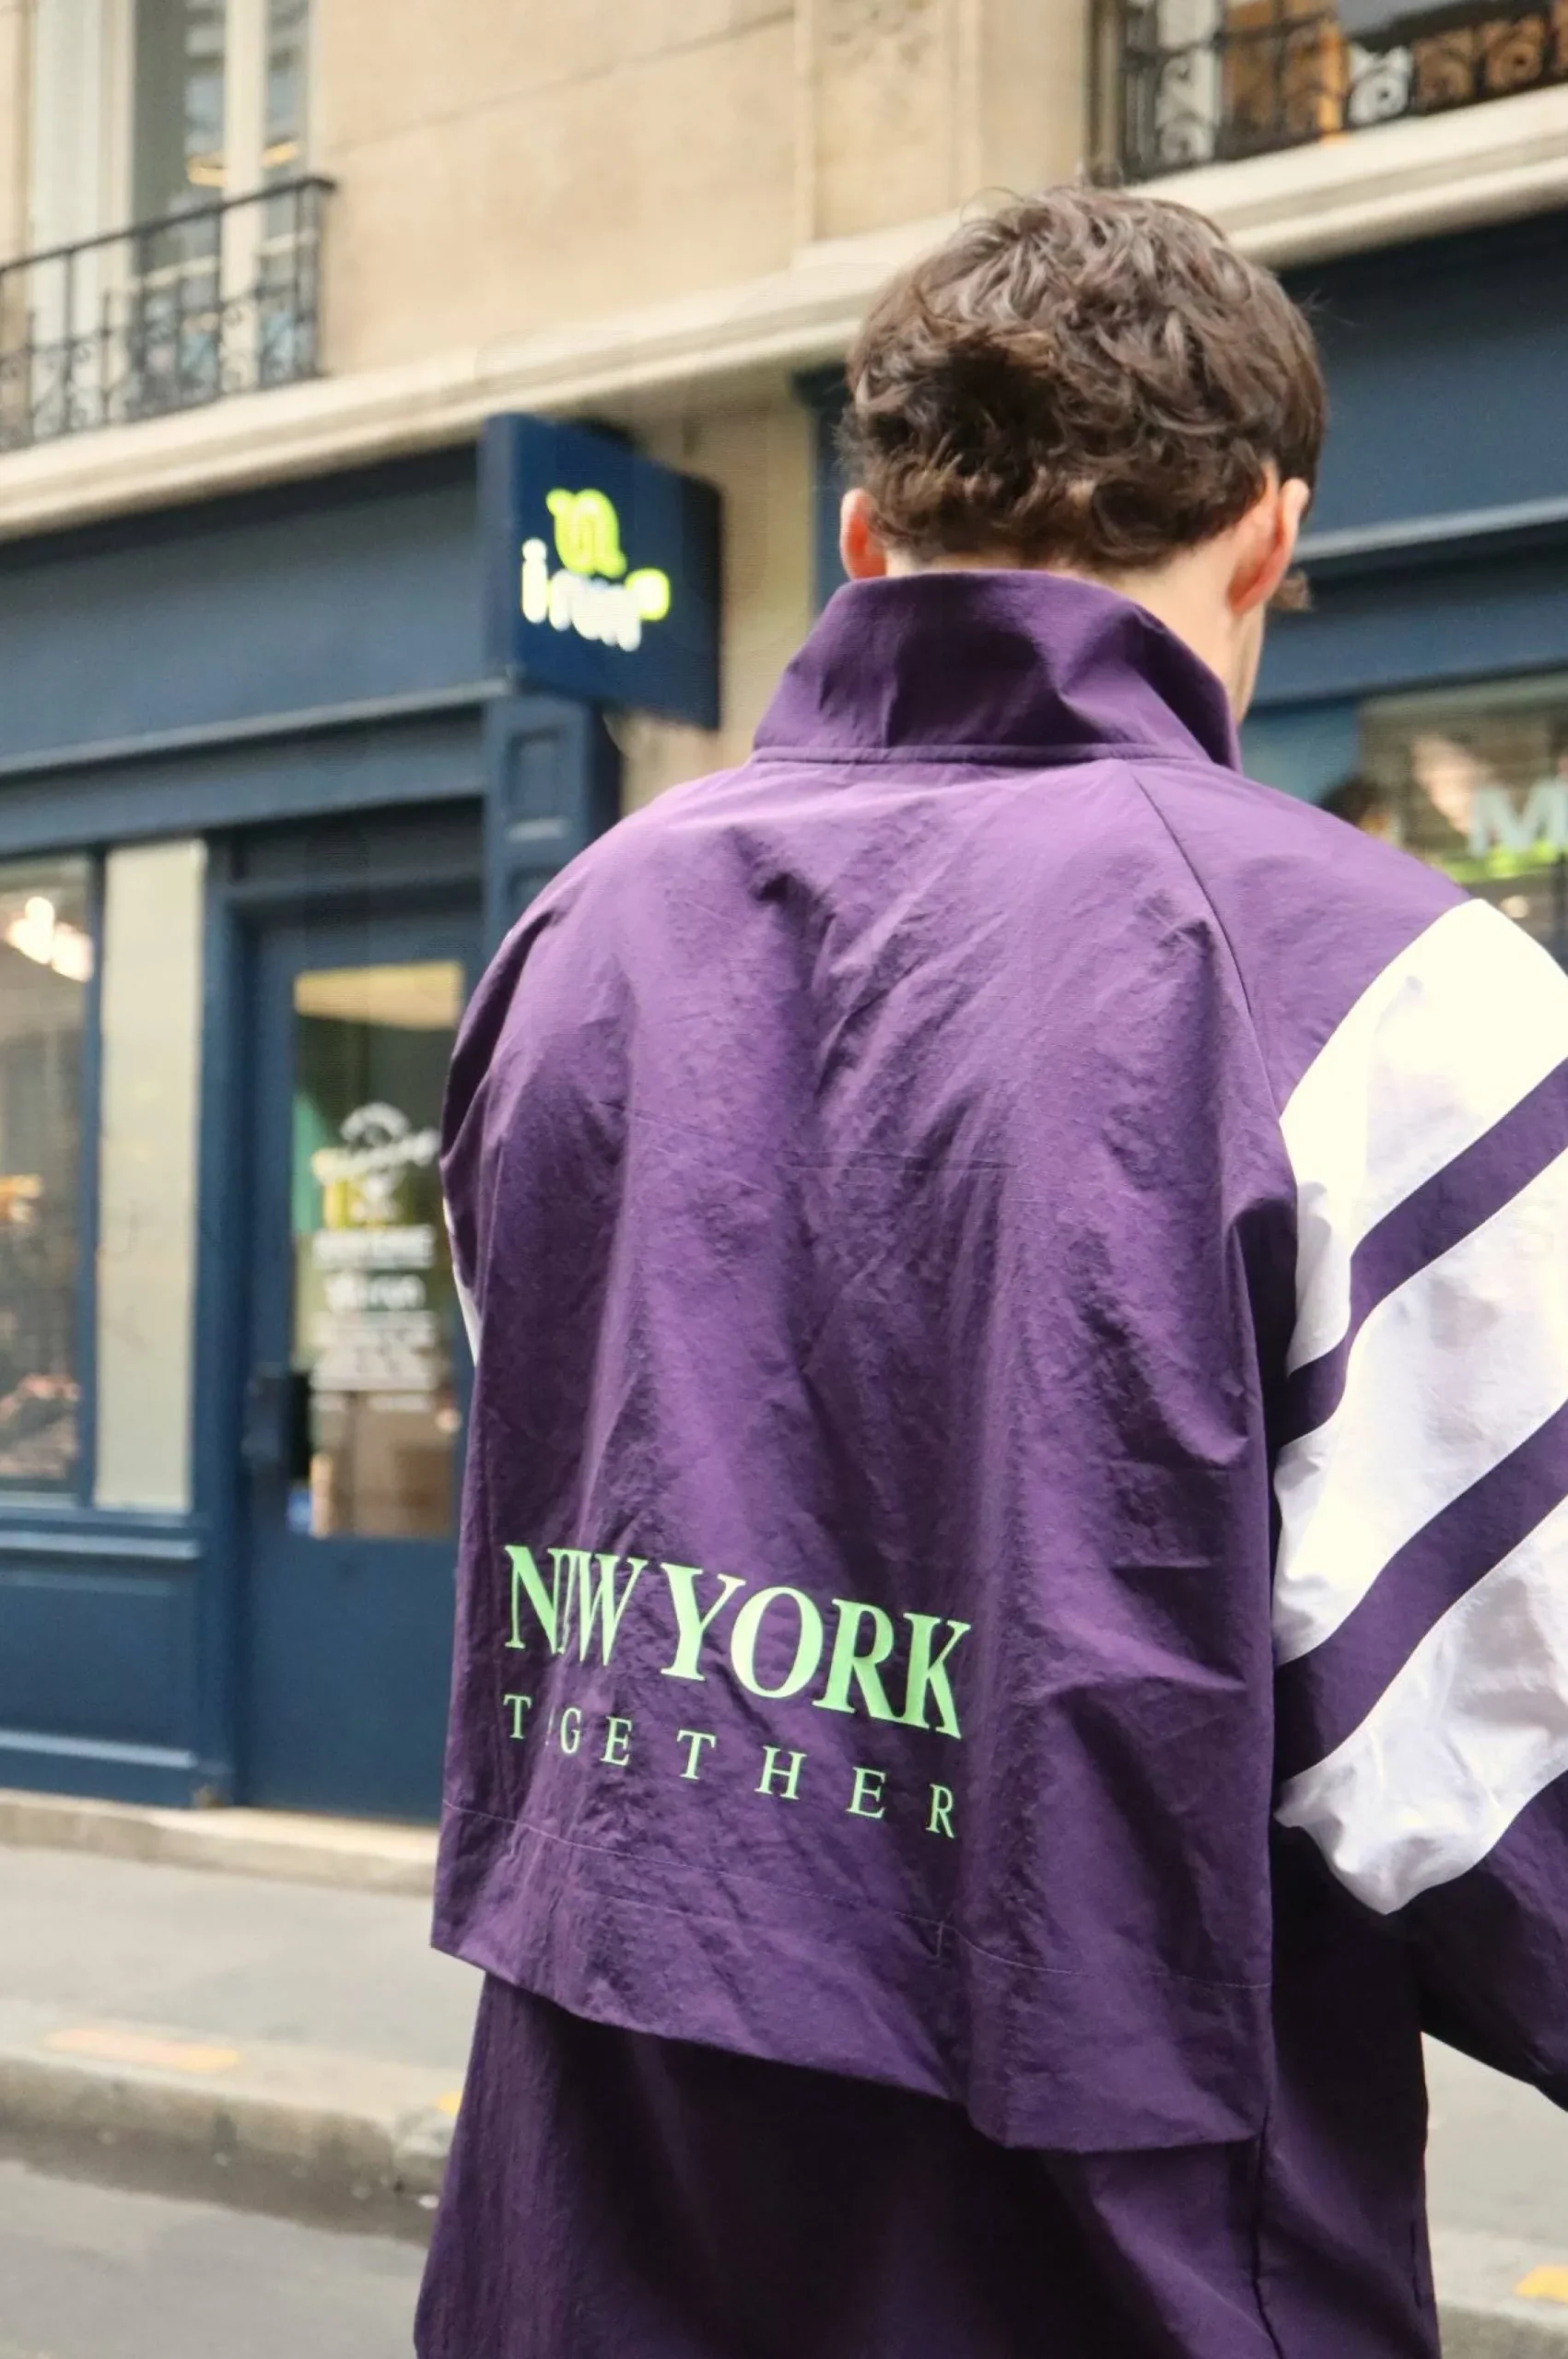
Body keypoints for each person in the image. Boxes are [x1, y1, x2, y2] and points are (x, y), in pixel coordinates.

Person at [417, 189, 1568, 2359]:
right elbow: (1504, 1747)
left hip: (582, 2243)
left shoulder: (567, 947)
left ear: (868, 540)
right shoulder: (1383, 997)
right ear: (1265, 537)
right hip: (1101, 2274)